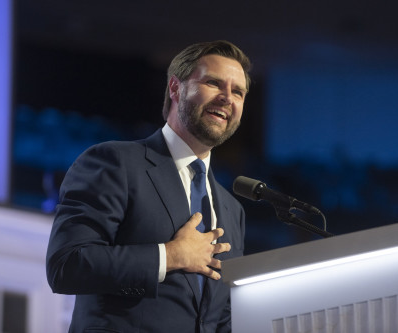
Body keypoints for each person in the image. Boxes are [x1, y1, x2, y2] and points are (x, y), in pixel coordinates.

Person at [46, 40, 251, 333]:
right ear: (175, 88)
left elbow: (219, 317)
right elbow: (66, 266)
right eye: (213, 83)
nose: (227, 98)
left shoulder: (233, 210)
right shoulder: (115, 163)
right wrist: (170, 256)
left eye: (238, 92)